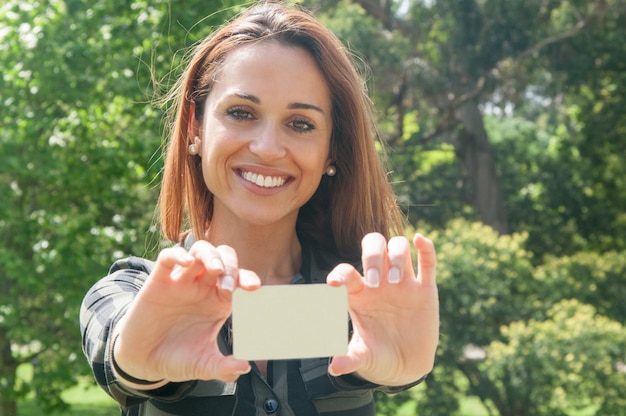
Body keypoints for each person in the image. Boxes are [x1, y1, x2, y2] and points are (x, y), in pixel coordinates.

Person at [79, 2, 439, 415]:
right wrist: (138, 361)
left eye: (300, 123)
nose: (267, 148)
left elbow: (383, 353)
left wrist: (400, 368)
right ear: (195, 128)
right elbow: (117, 342)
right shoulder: (128, 292)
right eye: (241, 113)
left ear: (331, 151)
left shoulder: (362, 300)